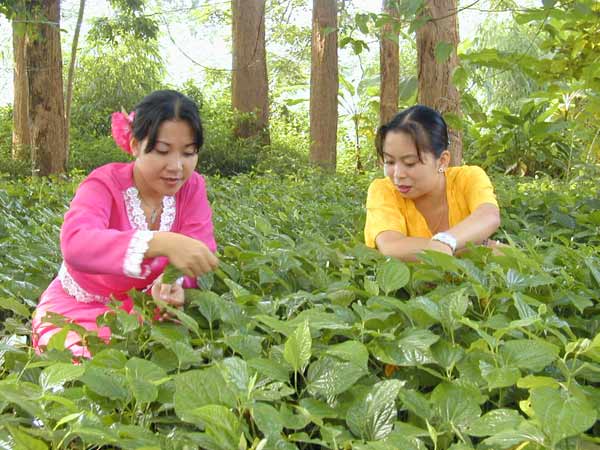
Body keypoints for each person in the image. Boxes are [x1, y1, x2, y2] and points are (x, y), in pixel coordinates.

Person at [32, 89, 219, 357]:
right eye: (162, 151)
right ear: (134, 145)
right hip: (77, 310)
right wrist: (160, 242)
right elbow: (76, 243)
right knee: (84, 365)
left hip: (148, 309)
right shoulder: (104, 183)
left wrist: (172, 283)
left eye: (188, 153)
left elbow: (200, 250)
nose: (176, 166)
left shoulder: (192, 187)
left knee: (166, 361)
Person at [364, 105, 501, 261]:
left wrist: (445, 243)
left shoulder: (467, 178)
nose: (398, 174)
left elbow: (488, 215)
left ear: (442, 161)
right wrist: (466, 248)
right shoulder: (383, 190)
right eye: (389, 162)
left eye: (410, 163)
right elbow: (391, 246)